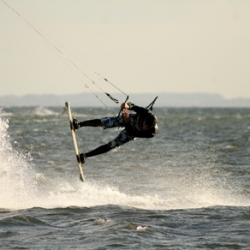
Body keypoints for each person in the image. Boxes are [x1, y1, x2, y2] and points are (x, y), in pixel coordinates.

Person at [72, 102, 158, 163]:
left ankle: (85, 156)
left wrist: (127, 122)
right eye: (145, 125)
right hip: (131, 119)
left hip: (131, 131)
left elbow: (131, 132)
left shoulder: (151, 133)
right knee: (105, 122)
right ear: (145, 120)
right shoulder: (146, 113)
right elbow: (133, 106)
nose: (145, 128)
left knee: (112, 145)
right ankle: (79, 124)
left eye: (147, 128)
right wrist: (127, 106)